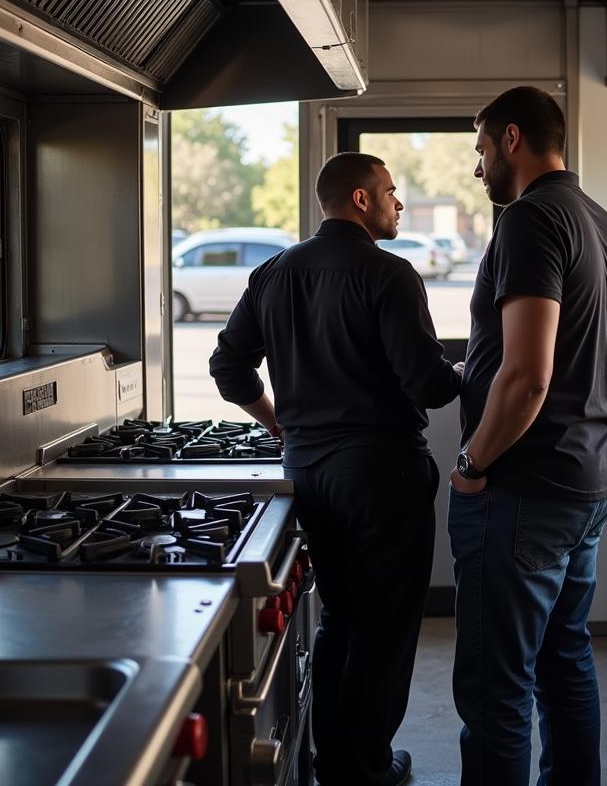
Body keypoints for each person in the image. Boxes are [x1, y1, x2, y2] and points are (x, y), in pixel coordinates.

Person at [210, 152, 461, 786]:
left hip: (308, 477)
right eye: (390, 192)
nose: (398, 203)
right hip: (383, 476)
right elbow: (426, 385)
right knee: (385, 627)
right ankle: (366, 767)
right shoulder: (390, 274)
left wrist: (277, 422)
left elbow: (228, 370)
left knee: (341, 618)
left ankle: (335, 762)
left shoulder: (274, 271)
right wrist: (465, 371)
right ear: (359, 199)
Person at [449, 86, 607, 786]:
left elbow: (528, 378)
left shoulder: (528, 221)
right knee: (565, 660)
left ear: (512, 139)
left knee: (498, 687)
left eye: (479, 150)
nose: (478, 169)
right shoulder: (603, 223)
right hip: (591, 476)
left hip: (525, 491)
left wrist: (471, 462)